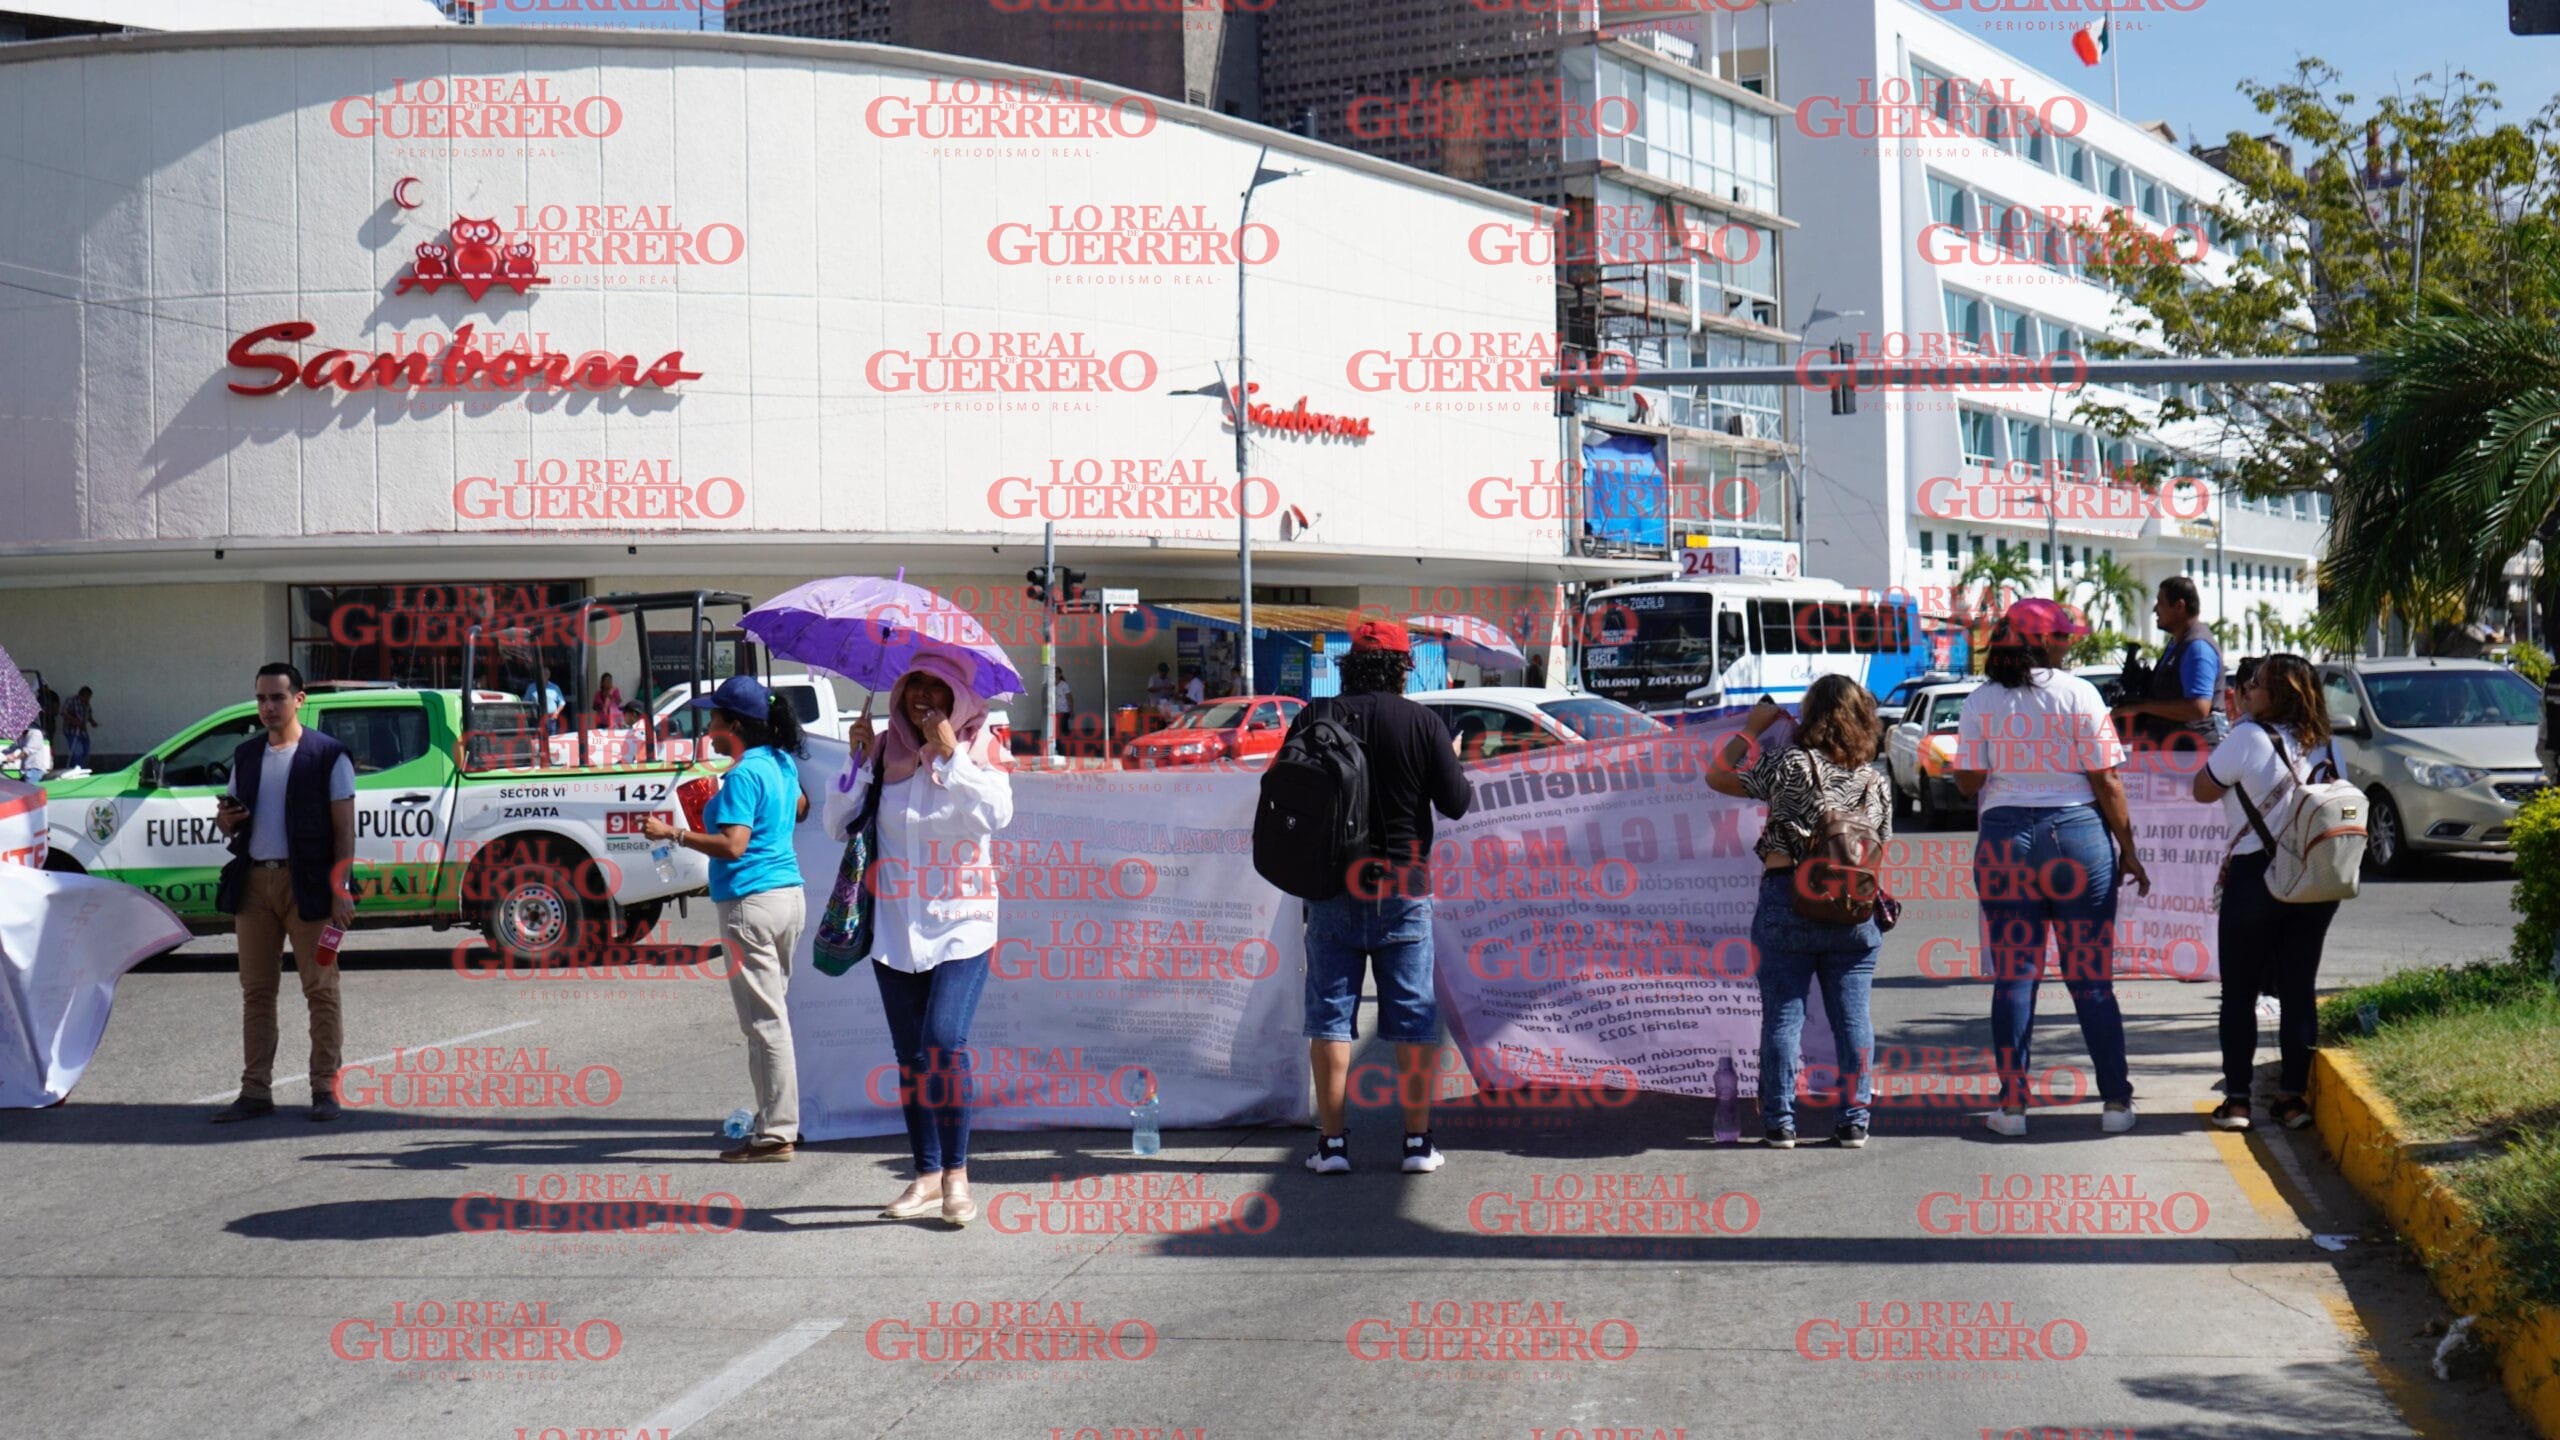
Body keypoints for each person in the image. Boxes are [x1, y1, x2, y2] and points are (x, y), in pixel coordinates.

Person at [822, 651, 1015, 1226]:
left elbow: (996, 817)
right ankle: (926, 1175)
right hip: (894, 927)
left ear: (959, 696)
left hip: (964, 923)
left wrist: (952, 755)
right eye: (912, 686)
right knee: (910, 1059)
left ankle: (957, 1175)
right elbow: (837, 825)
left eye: (936, 686)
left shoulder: (984, 745)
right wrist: (855, 762)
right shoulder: (885, 751)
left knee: (942, 1043)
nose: (922, 696)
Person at [1954, 599, 2149, 1137]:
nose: (2070, 645)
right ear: (2042, 642)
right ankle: (2115, 1103)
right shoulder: (2080, 693)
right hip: (2078, 837)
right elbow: (2106, 780)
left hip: (2005, 840)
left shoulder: (1980, 701)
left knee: (2015, 977)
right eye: (2063, 637)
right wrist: (2127, 848)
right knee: (2090, 978)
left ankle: (2012, 1108)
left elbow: (1969, 782)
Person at [1292, 620, 1472, 1176]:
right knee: (1414, 1016)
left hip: (1331, 883)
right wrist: (1451, 755)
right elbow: (1457, 803)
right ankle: (1417, 1144)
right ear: (1402, 666)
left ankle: (1332, 1146)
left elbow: (1284, 794)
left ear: (1348, 664)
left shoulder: (1314, 717)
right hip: (1404, 884)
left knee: (1329, 1017)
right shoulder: (1423, 722)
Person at [1707, 676, 1889, 1149]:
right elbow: (1877, 849)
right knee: (1853, 1020)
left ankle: (1780, 1122)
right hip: (1854, 909)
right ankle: (1853, 1121)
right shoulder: (1876, 781)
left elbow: (1717, 774)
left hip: (1788, 899)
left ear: (1811, 717)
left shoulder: (1789, 764)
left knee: (1784, 1017)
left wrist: (1751, 728)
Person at [640, 676, 809, 1163]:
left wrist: (671, 832)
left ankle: (777, 1132)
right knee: (773, 1017)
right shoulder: (779, 762)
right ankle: (775, 1120)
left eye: (714, 718)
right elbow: (799, 810)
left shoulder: (741, 774)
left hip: (749, 902)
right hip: (787, 897)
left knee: (764, 1023)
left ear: (734, 725)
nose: (708, 726)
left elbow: (734, 845)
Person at [2196, 654, 2344, 1132]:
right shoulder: (2323, 744)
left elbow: (2201, 789)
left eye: (2254, 684)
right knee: (2298, 990)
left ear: (2275, 693)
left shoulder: (2246, 737)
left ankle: (2237, 1103)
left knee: (2238, 993)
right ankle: (2292, 1101)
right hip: (2312, 877)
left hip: (2255, 875)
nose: (2246, 690)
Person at [208, 664, 355, 1124]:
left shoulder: (328, 755)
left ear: (300, 699)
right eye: (261, 699)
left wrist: (341, 888)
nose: (268, 707)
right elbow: (228, 817)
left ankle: (324, 1090)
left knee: (321, 990)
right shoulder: (247, 754)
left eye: (277, 697)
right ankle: (255, 1092)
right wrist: (226, 820)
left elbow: (344, 830)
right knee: (256, 991)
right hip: (255, 885)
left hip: (308, 885)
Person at [2114, 577, 2226, 750]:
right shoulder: (2178, 643)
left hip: (2192, 755)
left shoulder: (2197, 647)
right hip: (2172, 752)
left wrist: (2141, 707)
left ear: (2179, 606)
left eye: (2160, 602)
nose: (2155, 610)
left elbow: (2199, 709)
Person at [60, 686, 93, 769]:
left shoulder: (86, 704)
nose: (88, 699)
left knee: (85, 751)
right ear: (81, 695)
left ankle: (82, 768)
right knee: (78, 751)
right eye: (87, 697)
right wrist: (73, 720)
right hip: (71, 731)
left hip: (83, 732)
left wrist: (92, 721)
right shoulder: (71, 700)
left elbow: (88, 715)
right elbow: (63, 712)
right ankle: (76, 769)